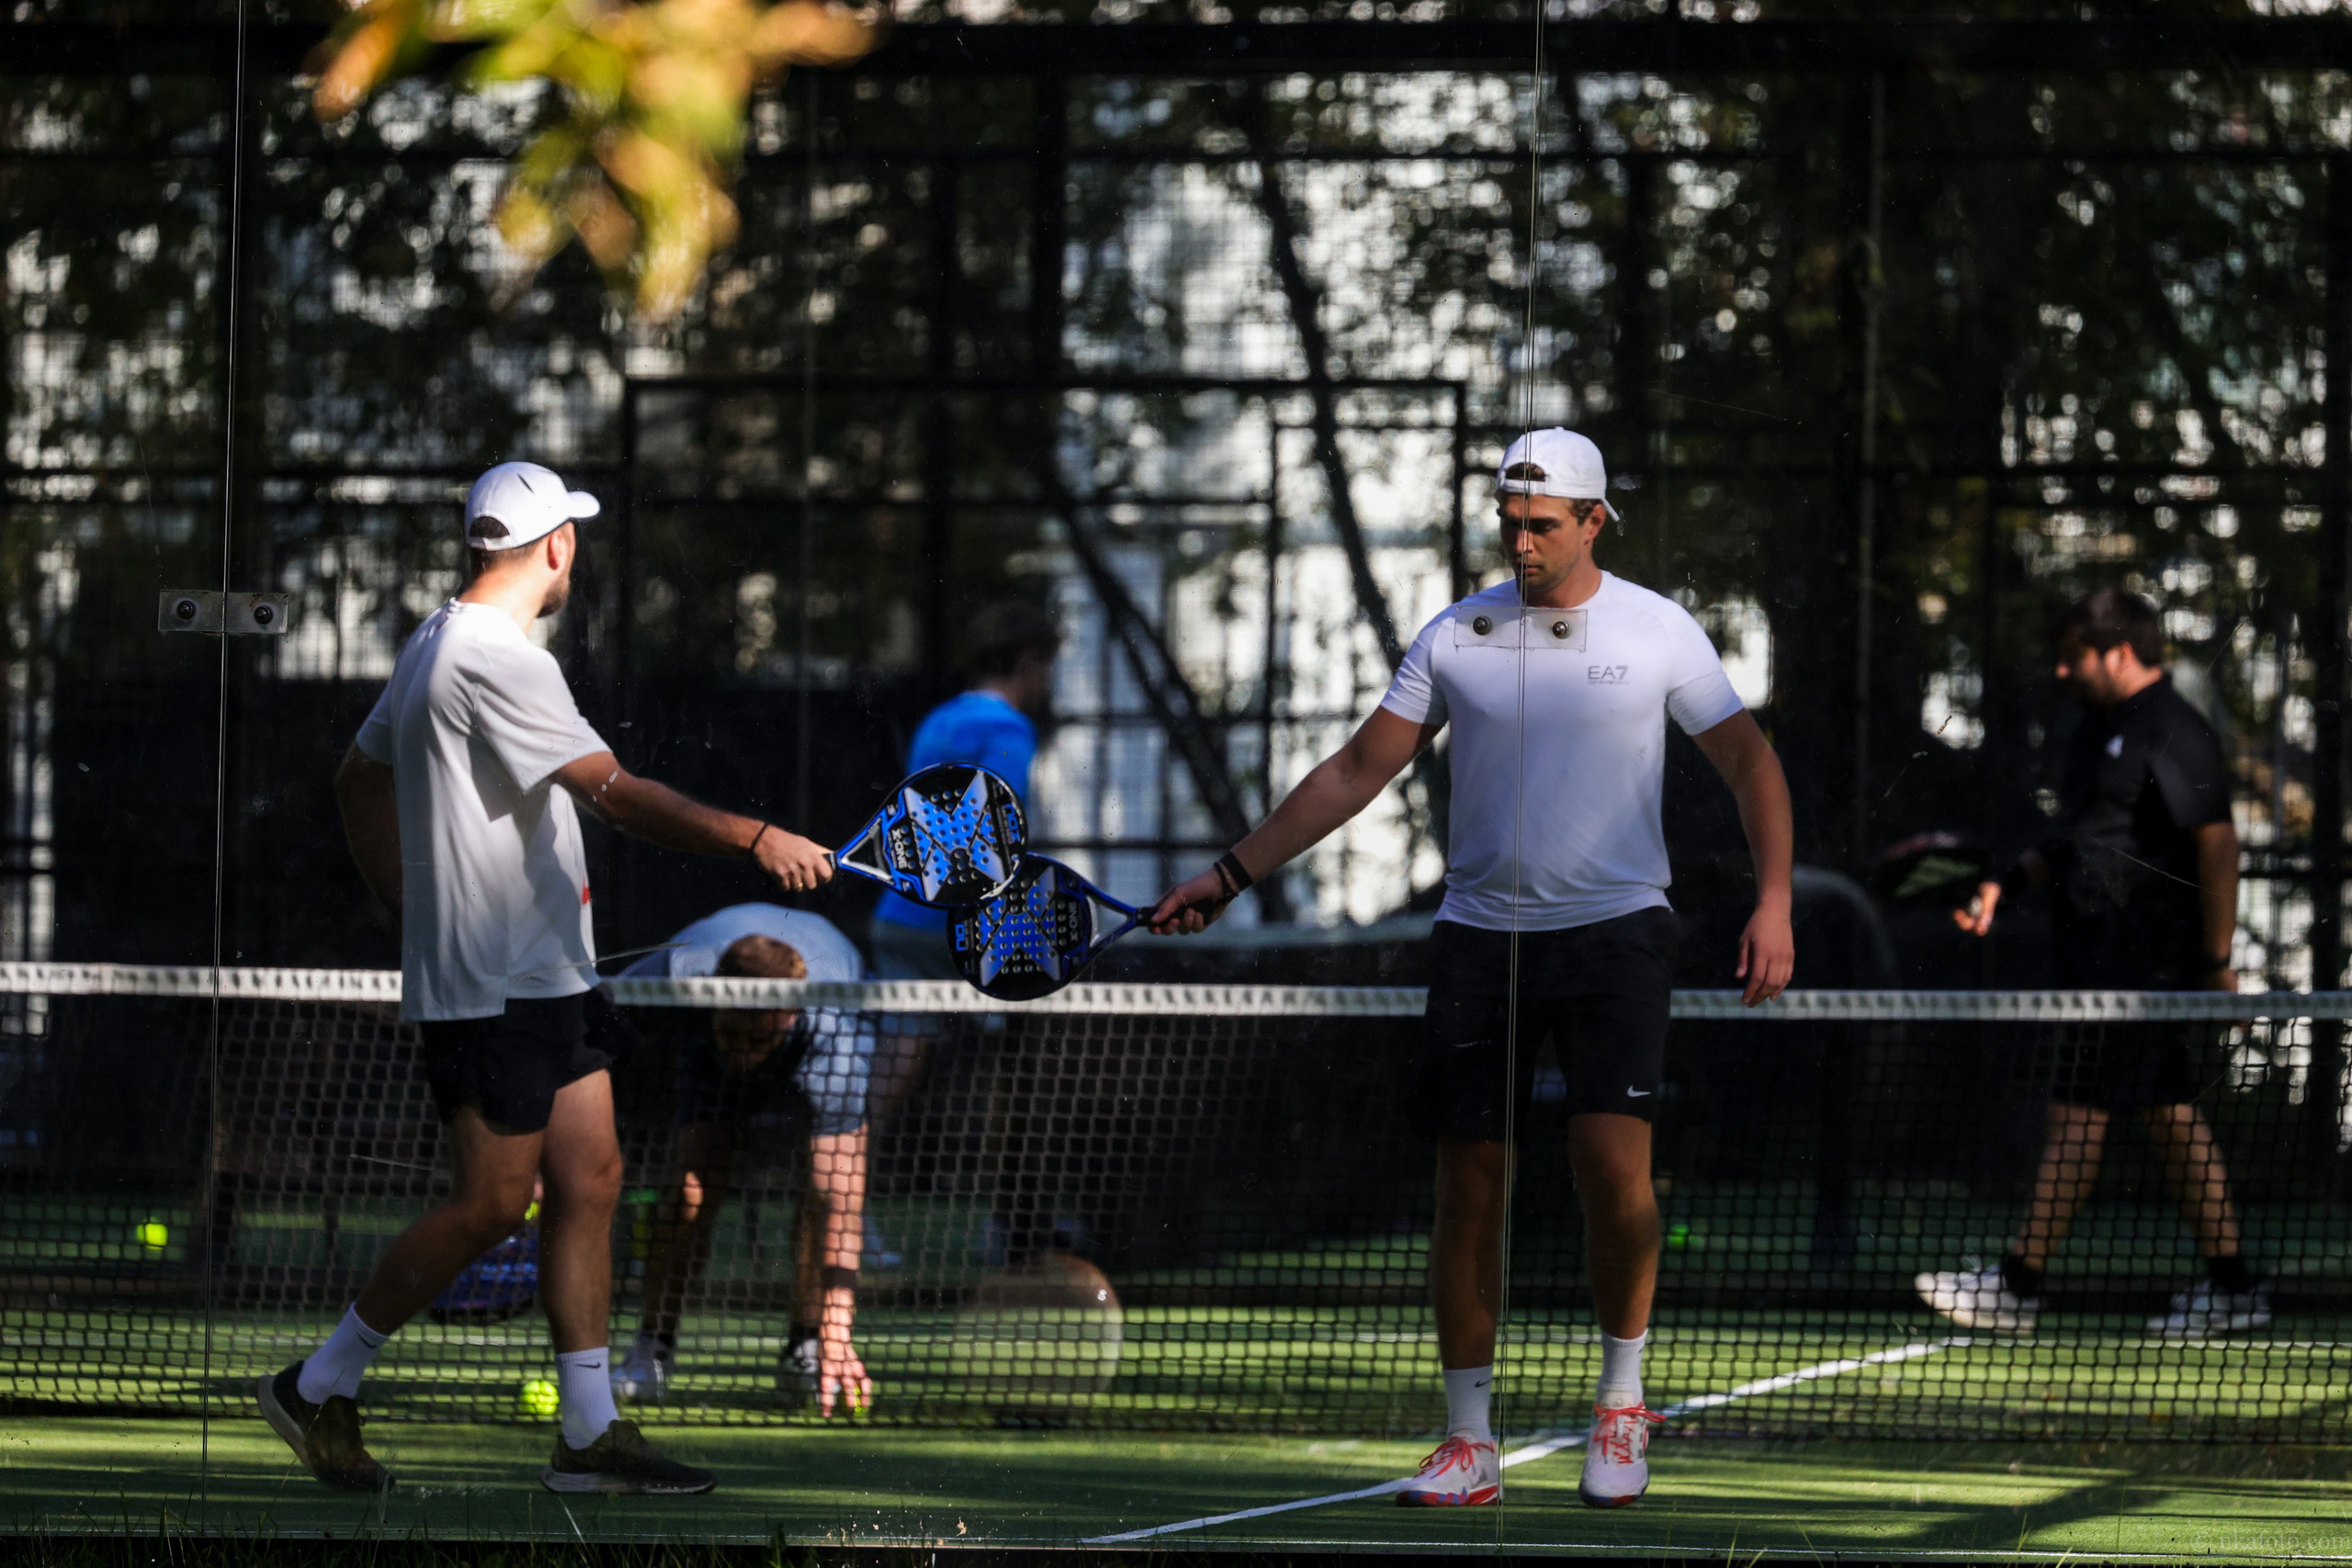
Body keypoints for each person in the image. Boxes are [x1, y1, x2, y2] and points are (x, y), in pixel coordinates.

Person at [1147, 429, 1795, 1511]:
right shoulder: (1457, 633)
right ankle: (1466, 1440)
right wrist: (1229, 871)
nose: (1522, 539)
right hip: (1478, 937)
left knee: (1610, 1171)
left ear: (1594, 522)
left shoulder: (1658, 631)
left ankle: (1622, 1403)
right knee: (1467, 1186)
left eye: (1543, 523)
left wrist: (1774, 901)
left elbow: (1748, 762)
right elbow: (1358, 766)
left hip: (1618, 933)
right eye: (1508, 520)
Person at [261, 460, 832, 1495]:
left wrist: (406, 903)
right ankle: (319, 1381)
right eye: (576, 535)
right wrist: (756, 837)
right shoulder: (501, 661)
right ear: (557, 547)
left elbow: (358, 779)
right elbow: (615, 796)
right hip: (495, 990)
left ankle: (587, 1432)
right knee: (492, 1205)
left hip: (546, 976)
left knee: (594, 1176)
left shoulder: (437, 637)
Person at [1917, 586, 2268, 1338]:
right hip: (2092, 961)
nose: (2063, 670)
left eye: (2075, 656)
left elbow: (2216, 841)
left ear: (2117, 650)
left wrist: (2216, 959)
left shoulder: (2176, 731)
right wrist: (2001, 885)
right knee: (2168, 1115)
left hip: (2139, 971)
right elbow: (2077, 840)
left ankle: (2016, 1283)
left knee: (2078, 1112)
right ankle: (2235, 1284)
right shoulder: (2097, 734)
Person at [608, 905, 885, 1417]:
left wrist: (838, 1334)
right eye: (733, 1035)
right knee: (692, 1193)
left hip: (827, 1025)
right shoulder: (671, 975)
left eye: (758, 1040)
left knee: (823, 1194)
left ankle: (810, 1345)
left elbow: (841, 1204)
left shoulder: (833, 1026)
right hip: (699, 1045)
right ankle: (652, 1347)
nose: (742, 1053)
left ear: (790, 1014)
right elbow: (581, 1031)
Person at [868, 601, 1061, 982]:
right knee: (982, 1042)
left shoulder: (938, 720)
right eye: (1046, 667)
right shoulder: (1009, 729)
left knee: (903, 1038)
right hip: (960, 929)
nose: (1047, 679)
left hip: (898, 915)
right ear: (1026, 662)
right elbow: (996, 829)